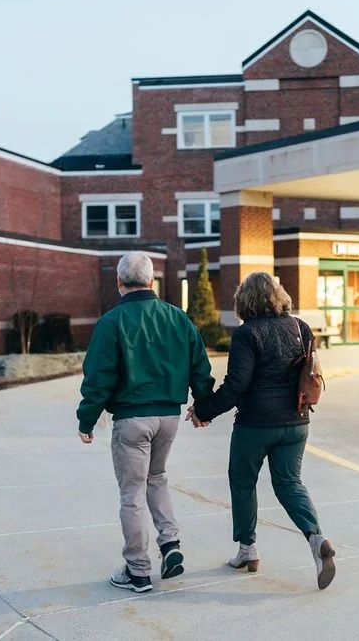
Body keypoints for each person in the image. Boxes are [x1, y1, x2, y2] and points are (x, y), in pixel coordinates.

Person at [76, 251, 215, 594]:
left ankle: (137, 570)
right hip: (169, 417)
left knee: (132, 492)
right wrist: (203, 407)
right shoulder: (177, 318)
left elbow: (98, 377)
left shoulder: (112, 321)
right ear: (152, 281)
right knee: (157, 477)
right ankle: (170, 545)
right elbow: (200, 366)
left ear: (119, 282)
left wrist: (87, 418)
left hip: (131, 419)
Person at [188, 272, 336, 590]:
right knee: (289, 483)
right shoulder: (301, 327)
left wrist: (203, 410)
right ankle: (316, 538)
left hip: (255, 425)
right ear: (278, 295)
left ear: (245, 301)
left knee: (242, 483)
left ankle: (247, 550)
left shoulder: (247, 334)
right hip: (297, 422)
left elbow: (236, 385)